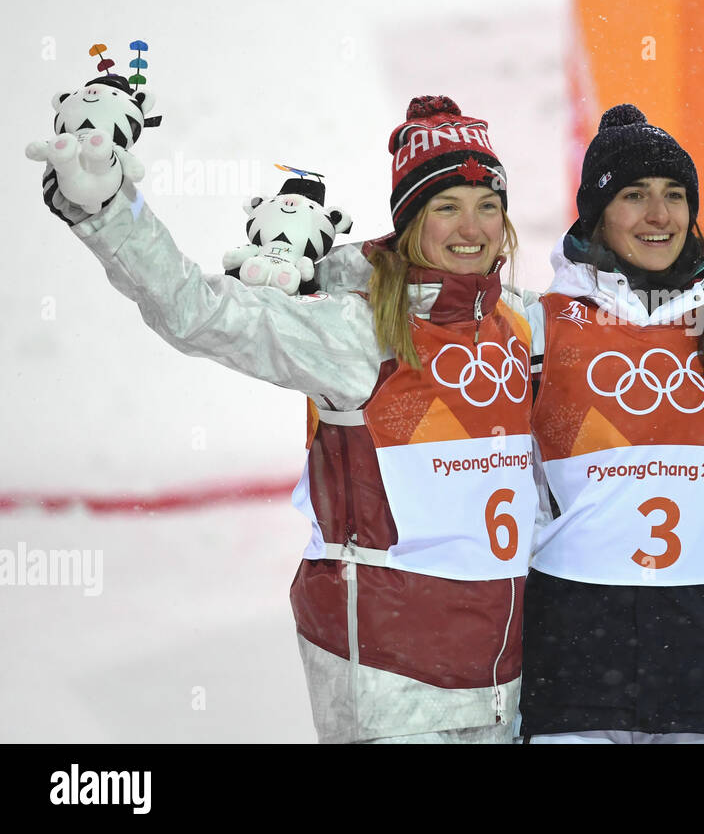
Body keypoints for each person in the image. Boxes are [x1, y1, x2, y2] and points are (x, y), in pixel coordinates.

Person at [47, 94, 538, 743]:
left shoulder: (522, 325)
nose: (470, 227)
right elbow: (201, 312)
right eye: (446, 206)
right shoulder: (356, 332)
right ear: (411, 222)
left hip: (500, 688)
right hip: (390, 684)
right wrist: (110, 212)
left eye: (487, 206)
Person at [521, 104, 704, 743]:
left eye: (675, 196)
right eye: (635, 196)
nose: (661, 216)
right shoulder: (538, 324)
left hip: (694, 658)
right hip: (568, 656)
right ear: (598, 214)